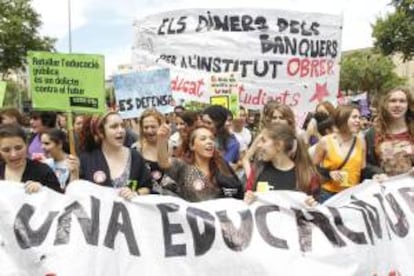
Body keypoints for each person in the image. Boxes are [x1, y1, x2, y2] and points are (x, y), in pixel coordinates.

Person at [157, 124, 243, 202]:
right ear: (192, 146)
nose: (209, 142)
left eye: (212, 139)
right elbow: (163, 163)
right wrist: (161, 139)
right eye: (203, 139)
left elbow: (237, 191)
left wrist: (248, 197)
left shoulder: (221, 165)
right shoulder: (183, 166)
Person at [78, 111, 152, 199]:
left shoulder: (135, 156)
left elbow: (147, 187)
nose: (120, 130)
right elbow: (77, 192)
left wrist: (136, 193)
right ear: (100, 132)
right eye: (114, 127)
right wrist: (74, 173)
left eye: (122, 126)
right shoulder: (87, 158)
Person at [243, 123, 320, 204]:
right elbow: (248, 196)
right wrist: (248, 199)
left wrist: (311, 205)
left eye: (263, 140)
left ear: (279, 145)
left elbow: (316, 209)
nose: (258, 145)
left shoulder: (307, 176)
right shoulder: (258, 170)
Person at [313, 105, 366, 203]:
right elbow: (312, 168)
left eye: (359, 117)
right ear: (342, 118)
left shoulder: (361, 141)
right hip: (328, 195)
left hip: (352, 195)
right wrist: (329, 174)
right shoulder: (325, 141)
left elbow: (364, 169)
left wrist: (377, 174)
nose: (358, 121)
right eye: (354, 117)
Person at [365, 87, 414, 178]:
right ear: (385, 104)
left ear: (408, 105)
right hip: (384, 188)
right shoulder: (372, 133)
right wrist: (378, 173)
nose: (397, 105)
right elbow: (365, 164)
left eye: (402, 101)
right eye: (393, 101)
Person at [0, 124, 61, 193]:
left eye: (18, 148)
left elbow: (59, 199)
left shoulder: (43, 171)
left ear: (26, 145)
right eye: (6, 150)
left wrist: (43, 190)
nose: (13, 154)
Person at [133, 108, 177, 194]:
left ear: (161, 126)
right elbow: (132, 176)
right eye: (146, 127)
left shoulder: (171, 146)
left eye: (153, 127)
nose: (149, 131)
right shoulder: (136, 148)